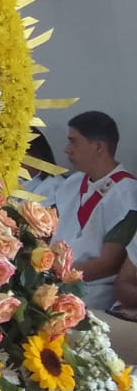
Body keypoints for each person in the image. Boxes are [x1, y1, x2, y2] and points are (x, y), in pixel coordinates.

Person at [41, 111, 136, 311]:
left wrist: (55, 275)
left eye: (73, 142)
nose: (67, 150)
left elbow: (109, 263)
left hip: (90, 292)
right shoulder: (73, 182)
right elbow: (47, 230)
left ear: (98, 146)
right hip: (51, 279)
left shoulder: (127, 193)